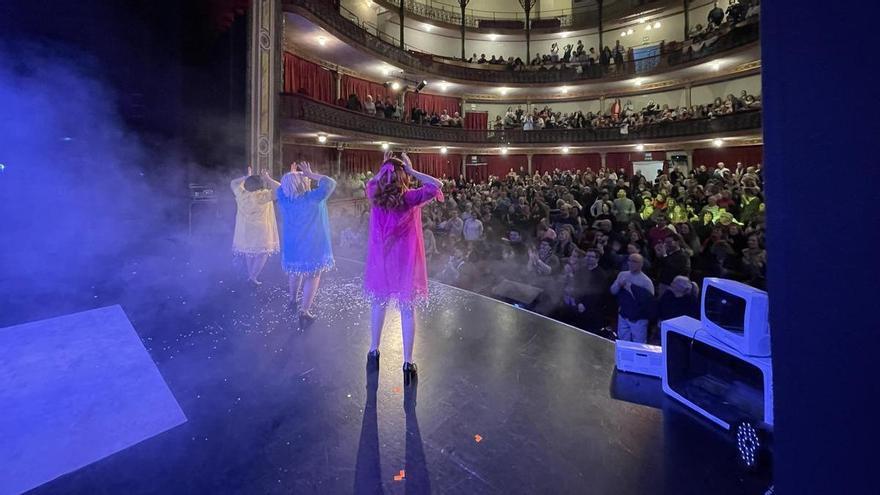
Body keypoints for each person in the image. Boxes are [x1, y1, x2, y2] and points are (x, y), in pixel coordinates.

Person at [364, 151, 443, 379]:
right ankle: (408, 363)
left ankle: (373, 350)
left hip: (382, 261)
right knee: (407, 311)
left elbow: (372, 181)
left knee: (378, 304)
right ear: (402, 176)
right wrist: (411, 170)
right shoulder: (410, 198)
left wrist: (385, 167)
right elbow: (436, 184)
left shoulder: (373, 194)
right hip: (405, 263)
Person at [276, 161, 337, 324]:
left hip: (293, 245)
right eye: (306, 179)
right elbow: (330, 182)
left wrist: (290, 176)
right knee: (313, 275)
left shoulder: (284, 199)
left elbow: (280, 187)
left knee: (295, 272)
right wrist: (311, 174)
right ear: (303, 183)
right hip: (312, 245)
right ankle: (304, 310)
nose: (308, 180)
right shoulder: (312, 198)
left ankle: (293, 299)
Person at [231, 166, 280, 286]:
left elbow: (233, 182)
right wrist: (268, 178)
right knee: (262, 253)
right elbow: (281, 189)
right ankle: (253, 276)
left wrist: (245, 177)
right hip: (261, 230)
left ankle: (251, 275)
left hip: (245, 229)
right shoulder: (262, 196)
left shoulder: (241, 194)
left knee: (250, 251)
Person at [610, 253, 655, 343]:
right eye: (629, 261)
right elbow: (613, 291)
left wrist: (633, 290)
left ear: (641, 264)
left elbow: (650, 303)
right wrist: (619, 284)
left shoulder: (646, 281)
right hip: (623, 314)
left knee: (638, 343)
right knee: (623, 341)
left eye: (634, 261)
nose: (631, 263)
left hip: (638, 318)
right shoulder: (622, 275)